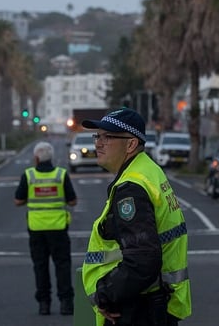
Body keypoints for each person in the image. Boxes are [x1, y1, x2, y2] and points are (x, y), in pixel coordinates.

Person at [80, 108, 192, 326]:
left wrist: (106, 295)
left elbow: (143, 260)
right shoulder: (149, 171)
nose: (98, 143)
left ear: (130, 144)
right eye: (97, 136)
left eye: (107, 137)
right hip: (155, 303)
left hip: (136, 309)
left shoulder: (131, 188)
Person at [14, 141, 77, 316]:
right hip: (58, 228)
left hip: (36, 229)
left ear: (36, 158)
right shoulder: (61, 175)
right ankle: (66, 303)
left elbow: (18, 201)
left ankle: (44, 304)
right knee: (62, 265)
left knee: (40, 266)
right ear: (52, 157)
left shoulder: (28, 175)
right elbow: (72, 201)